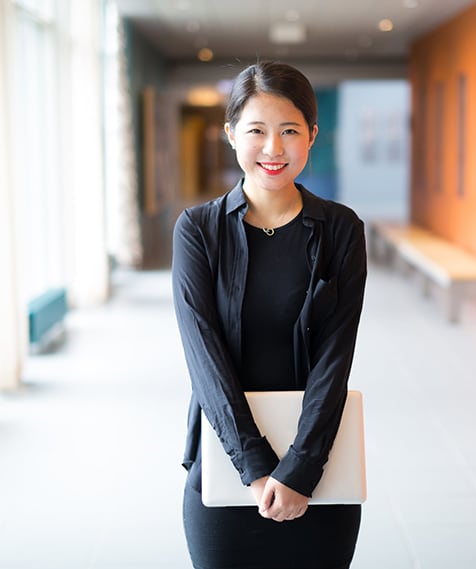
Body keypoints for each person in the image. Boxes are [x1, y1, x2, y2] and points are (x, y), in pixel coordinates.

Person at [172, 61, 367, 569]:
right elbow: (204, 358)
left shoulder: (341, 230)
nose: (274, 149)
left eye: (289, 131)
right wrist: (257, 468)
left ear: (312, 136)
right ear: (231, 133)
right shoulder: (198, 231)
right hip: (227, 460)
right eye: (256, 130)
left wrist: (300, 470)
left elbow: (335, 355)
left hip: (319, 466)